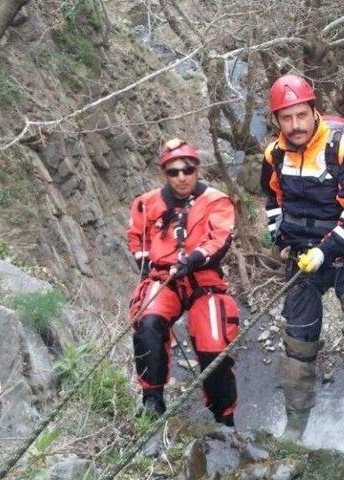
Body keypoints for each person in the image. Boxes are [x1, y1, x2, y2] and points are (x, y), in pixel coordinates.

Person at [260, 74, 344, 450]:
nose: (296, 125)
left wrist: (327, 250)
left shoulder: (343, 149)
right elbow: (272, 201)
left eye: (301, 115)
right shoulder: (273, 155)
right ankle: (295, 430)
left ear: (313, 110)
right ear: (276, 120)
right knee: (298, 343)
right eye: (286, 118)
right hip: (302, 256)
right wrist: (281, 240)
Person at [127, 138, 239, 427]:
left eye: (187, 170)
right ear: (164, 173)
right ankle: (152, 400)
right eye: (173, 172)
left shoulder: (216, 201)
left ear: (197, 169)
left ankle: (224, 416)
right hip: (165, 277)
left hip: (203, 278)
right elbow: (137, 239)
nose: (181, 177)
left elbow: (220, 238)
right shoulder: (145, 203)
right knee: (148, 320)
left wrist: (194, 258)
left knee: (214, 345)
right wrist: (143, 259)